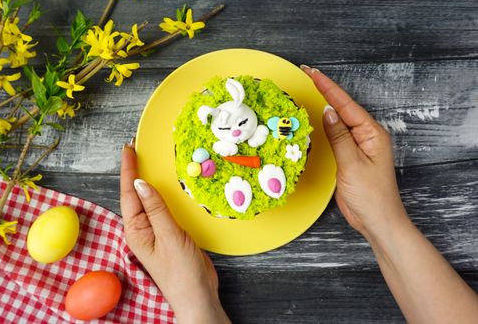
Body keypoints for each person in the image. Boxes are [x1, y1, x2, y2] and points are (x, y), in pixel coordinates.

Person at [119, 66, 478, 323]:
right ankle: (241, 191)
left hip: (276, 158)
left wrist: (195, 303)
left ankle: (259, 185)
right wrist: (383, 222)